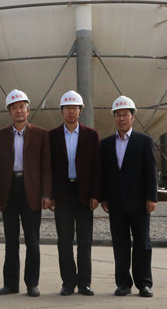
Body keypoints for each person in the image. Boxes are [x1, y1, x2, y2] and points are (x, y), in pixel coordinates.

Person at [0, 89, 52, 297]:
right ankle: (10, 284)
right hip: (9, 190)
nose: (18, 111)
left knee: (32, 240)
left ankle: (32, 283)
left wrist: (46, 194)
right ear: (9, 111)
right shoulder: (0, 136)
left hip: (32, 191)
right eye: (14, 108)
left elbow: (46, 167)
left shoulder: (41, 134)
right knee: (11, 240)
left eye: (21, 107)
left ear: (28, 109)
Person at [100, 95, 158, 298]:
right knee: (120, 244)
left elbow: (150, 171)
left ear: (133, 117)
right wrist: (103, 197)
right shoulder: (106, 144)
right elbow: (104, 173)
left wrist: (152, 197)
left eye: (125, 114)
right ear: (114, 118)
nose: (121, 118)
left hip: (139, 202)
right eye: (118, 115)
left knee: (142, 243)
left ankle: (144, 284)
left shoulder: (144, 142)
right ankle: (123, 283)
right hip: (116, 203)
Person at [48, 90, 101, 296]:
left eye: (75, 108)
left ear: (80, 111)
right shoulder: (52, 136)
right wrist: (50, 194)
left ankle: (84, 283)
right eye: (68, 108)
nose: (71, 111)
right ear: (62, 111)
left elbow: (97, 168)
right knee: (64, 241)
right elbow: (48, 168)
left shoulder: (91, 135)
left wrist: (95, 195)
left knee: (85, 242)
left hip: (84, 194)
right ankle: (68, 283)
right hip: (62, 194)